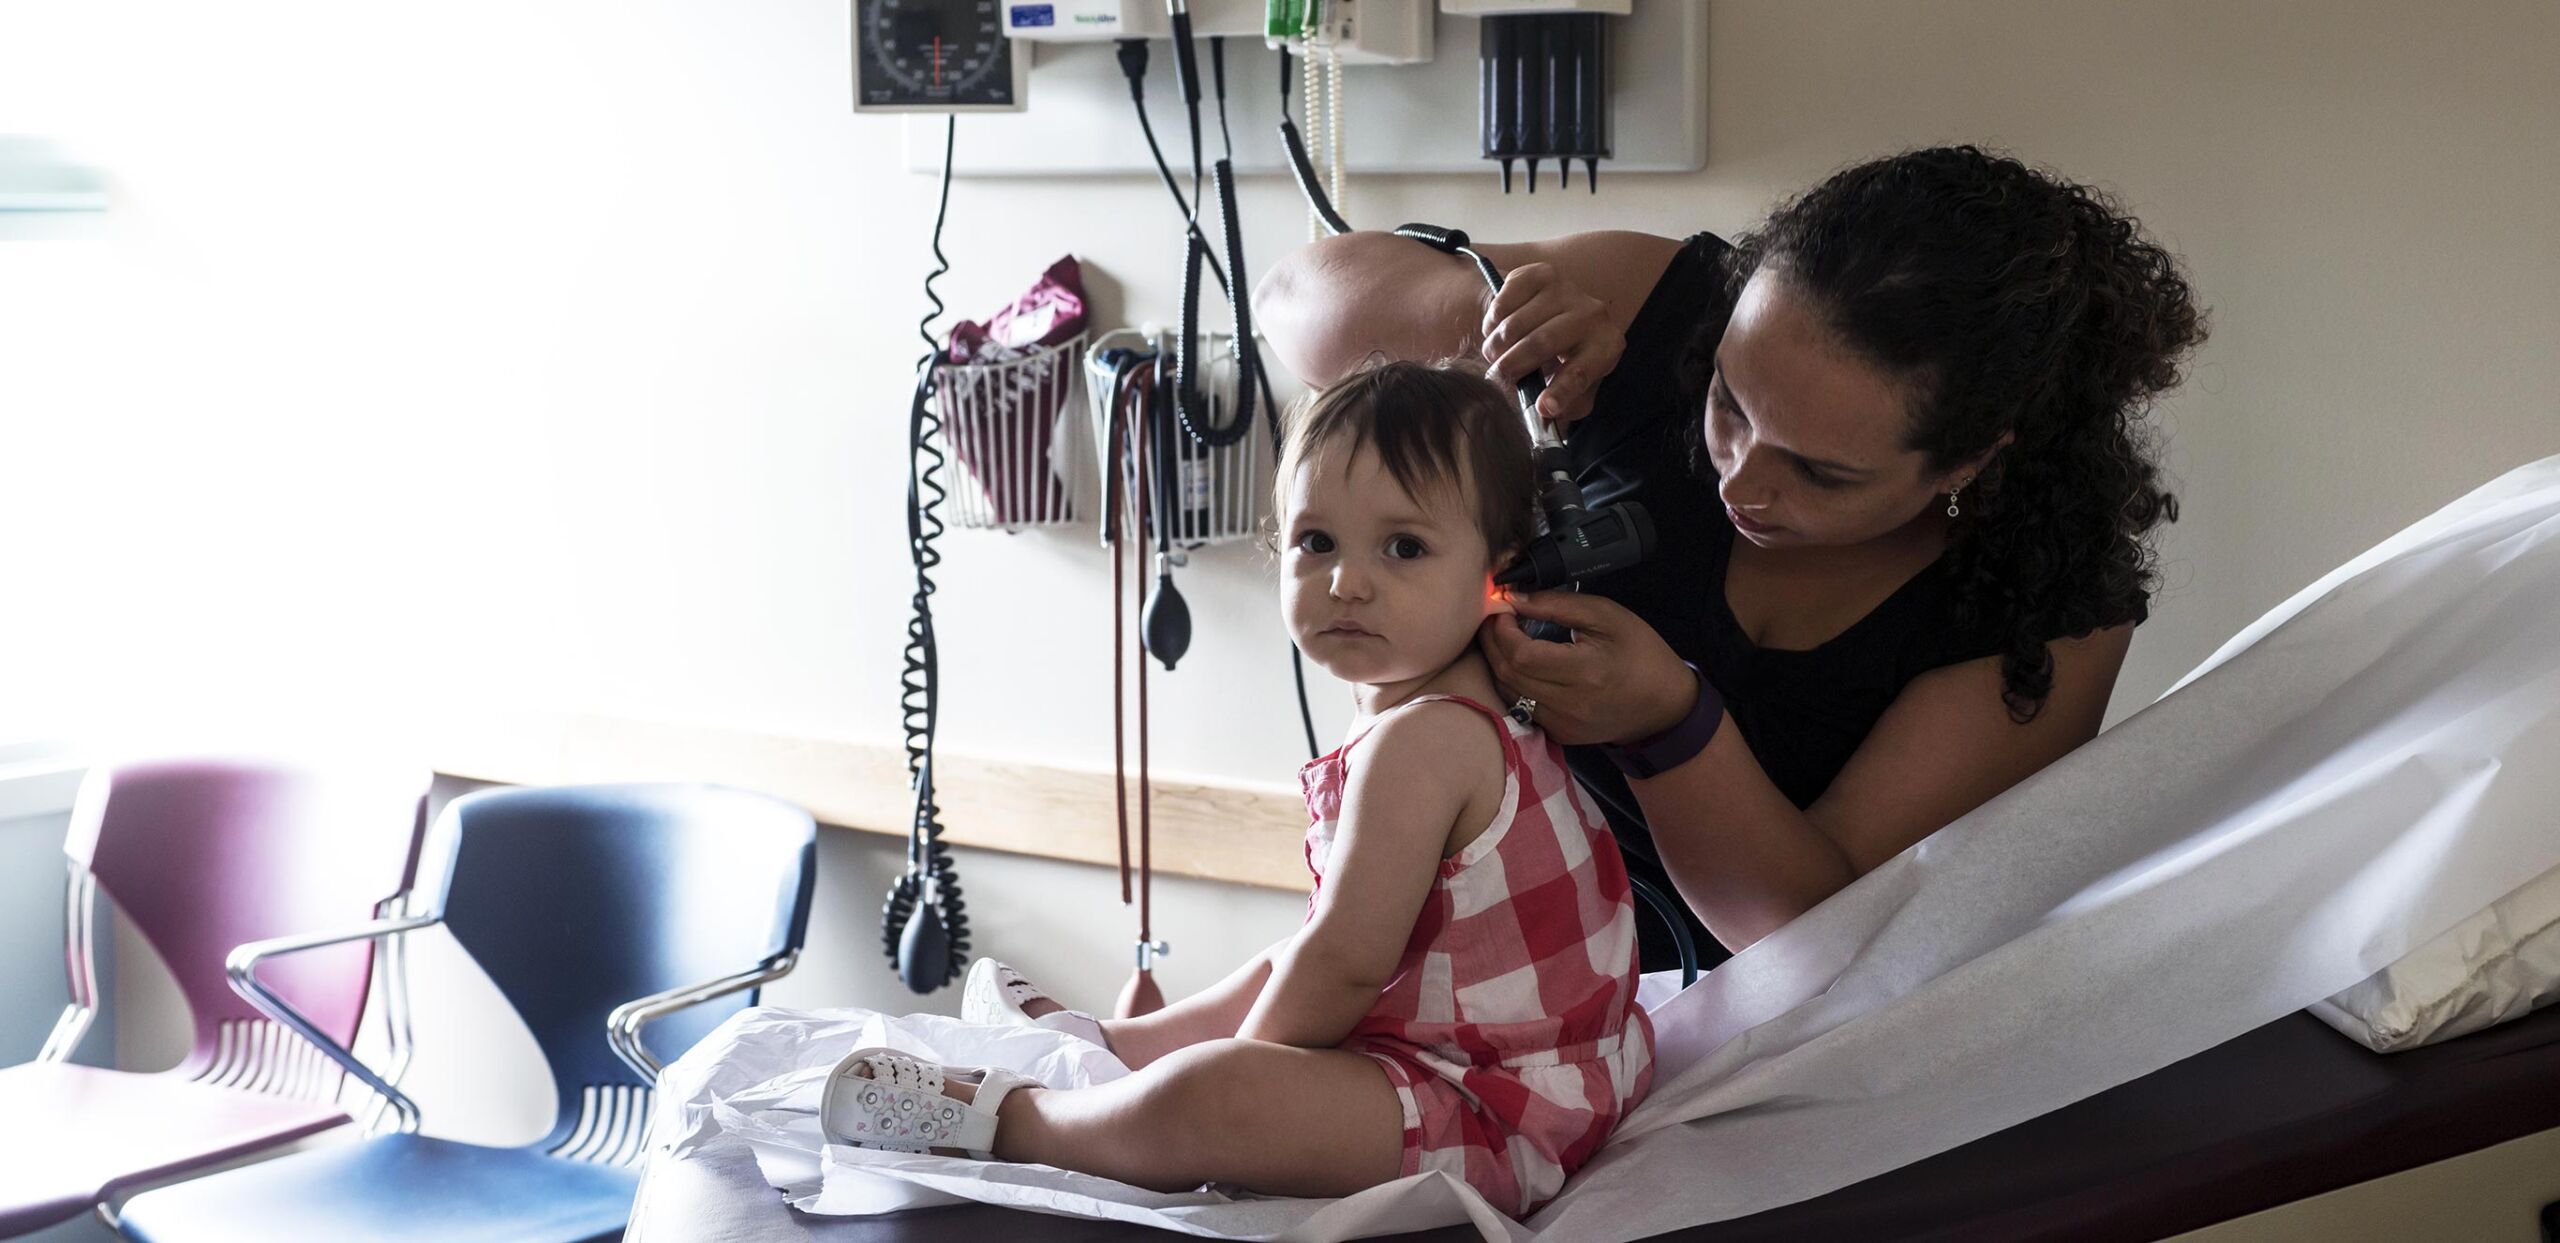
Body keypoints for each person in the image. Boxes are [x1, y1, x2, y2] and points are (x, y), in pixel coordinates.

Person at [1253, 145, 2206, 970]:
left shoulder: (2048, 607)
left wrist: (1674, 726)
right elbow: (1293, 299)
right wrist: (1487, 316)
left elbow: (1814, 936)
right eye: (1729, 406)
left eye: (1821, 474)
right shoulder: (1657, 308)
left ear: (1969, 460)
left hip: (1720, 1060)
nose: (1741, 485)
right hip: (1426, 945)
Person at [824, 362, 1654, 1218]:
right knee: (1285, 955)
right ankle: (1111, 1045)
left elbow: (1344, 969)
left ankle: (1019, 1120)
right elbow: (1329, 952)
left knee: (1219, 1095)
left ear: (1499, 570)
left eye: (1403, 547)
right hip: (1516, 1068)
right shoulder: (1455, 711)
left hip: (1501, 1111)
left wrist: (1243, 1070)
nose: (1347, 581)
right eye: (1316, 541)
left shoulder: (1428, 741)